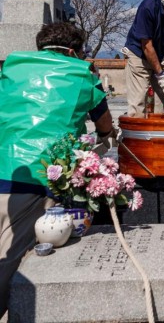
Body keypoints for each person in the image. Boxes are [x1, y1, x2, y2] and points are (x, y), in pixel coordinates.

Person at [0, 22, 114, 318]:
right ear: (74, 51)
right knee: (12, 260)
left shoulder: (13, 66)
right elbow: (105, 126)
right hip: (39, 176)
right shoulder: (81, 73)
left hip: (5, 163)